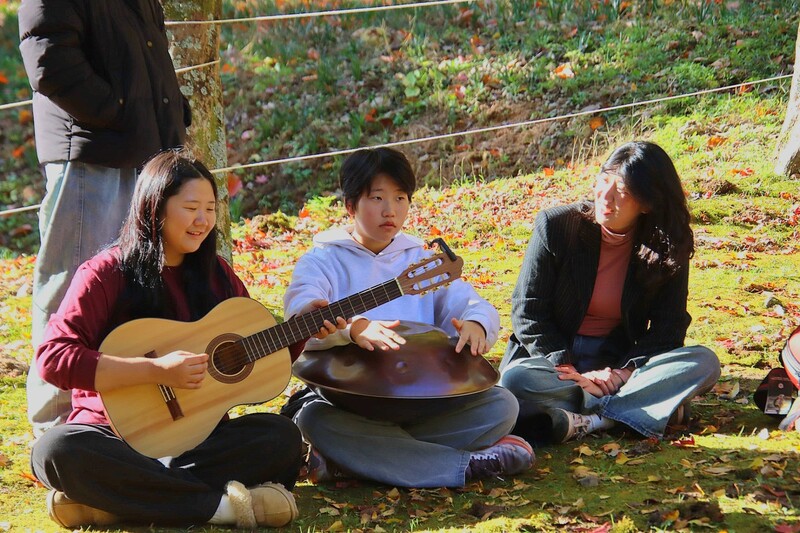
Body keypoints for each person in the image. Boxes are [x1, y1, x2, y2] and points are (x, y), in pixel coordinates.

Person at [30, 151, 344, 529]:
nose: (203, 221)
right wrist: (156, 370)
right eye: (191, 207)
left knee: (282, 438)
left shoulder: (217, 275)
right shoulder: (105, 273)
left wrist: (303, 328)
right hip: (115, 438)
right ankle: (222, 509)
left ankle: (117, 502)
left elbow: (252, 351)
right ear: (155, 208)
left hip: (198, 440)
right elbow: (53, 358)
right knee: (56, 451)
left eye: (210, 208)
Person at [282, 147, 534, 488]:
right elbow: (301, 315)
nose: (391, 211)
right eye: (377, 198)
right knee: (313, 418)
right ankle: (463, 466)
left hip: (422, 402)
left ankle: (354, 460)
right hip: (346, 404)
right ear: (350, 205)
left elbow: (472, 304)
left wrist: (477, 323)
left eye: (401, 198)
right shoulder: (321, 261)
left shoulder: (419, 261)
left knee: (502, 405)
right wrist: (352, 329)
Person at [19, 0, 193, 436]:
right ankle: (57, 425)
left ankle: (113, 415)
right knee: (71, 284)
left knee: (134, 284)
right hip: (90, 153)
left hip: (143, 151)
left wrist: (168, 114)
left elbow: (147, 54)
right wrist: (120, 110)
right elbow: (50, 62)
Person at [499, 141, 720, 443]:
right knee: (516, 380)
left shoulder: (667, 244)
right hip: (553, 363)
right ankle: (640, 409)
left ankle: (594, 420)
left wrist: (621, 374)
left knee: (704, 362)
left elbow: (669, 327)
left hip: (616, 362)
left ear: (648, 203)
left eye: (623, 191)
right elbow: (528, 311)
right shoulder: (556, 226)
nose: (606, 196)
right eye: (604, 180)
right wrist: (568, 370)